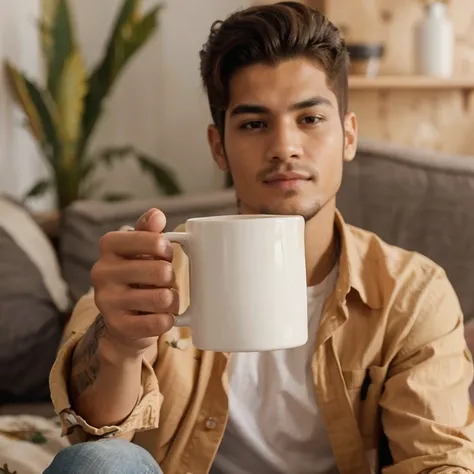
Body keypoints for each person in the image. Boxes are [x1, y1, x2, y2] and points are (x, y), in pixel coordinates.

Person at [44, 2, 474, 473]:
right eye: (254, 124)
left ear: (349, 136)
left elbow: (437, 460)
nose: (284, 146)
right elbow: (88, 435)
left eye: (309, 119)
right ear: (218, 148)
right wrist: (120, 344)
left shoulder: (411, 294)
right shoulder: (153, 270)